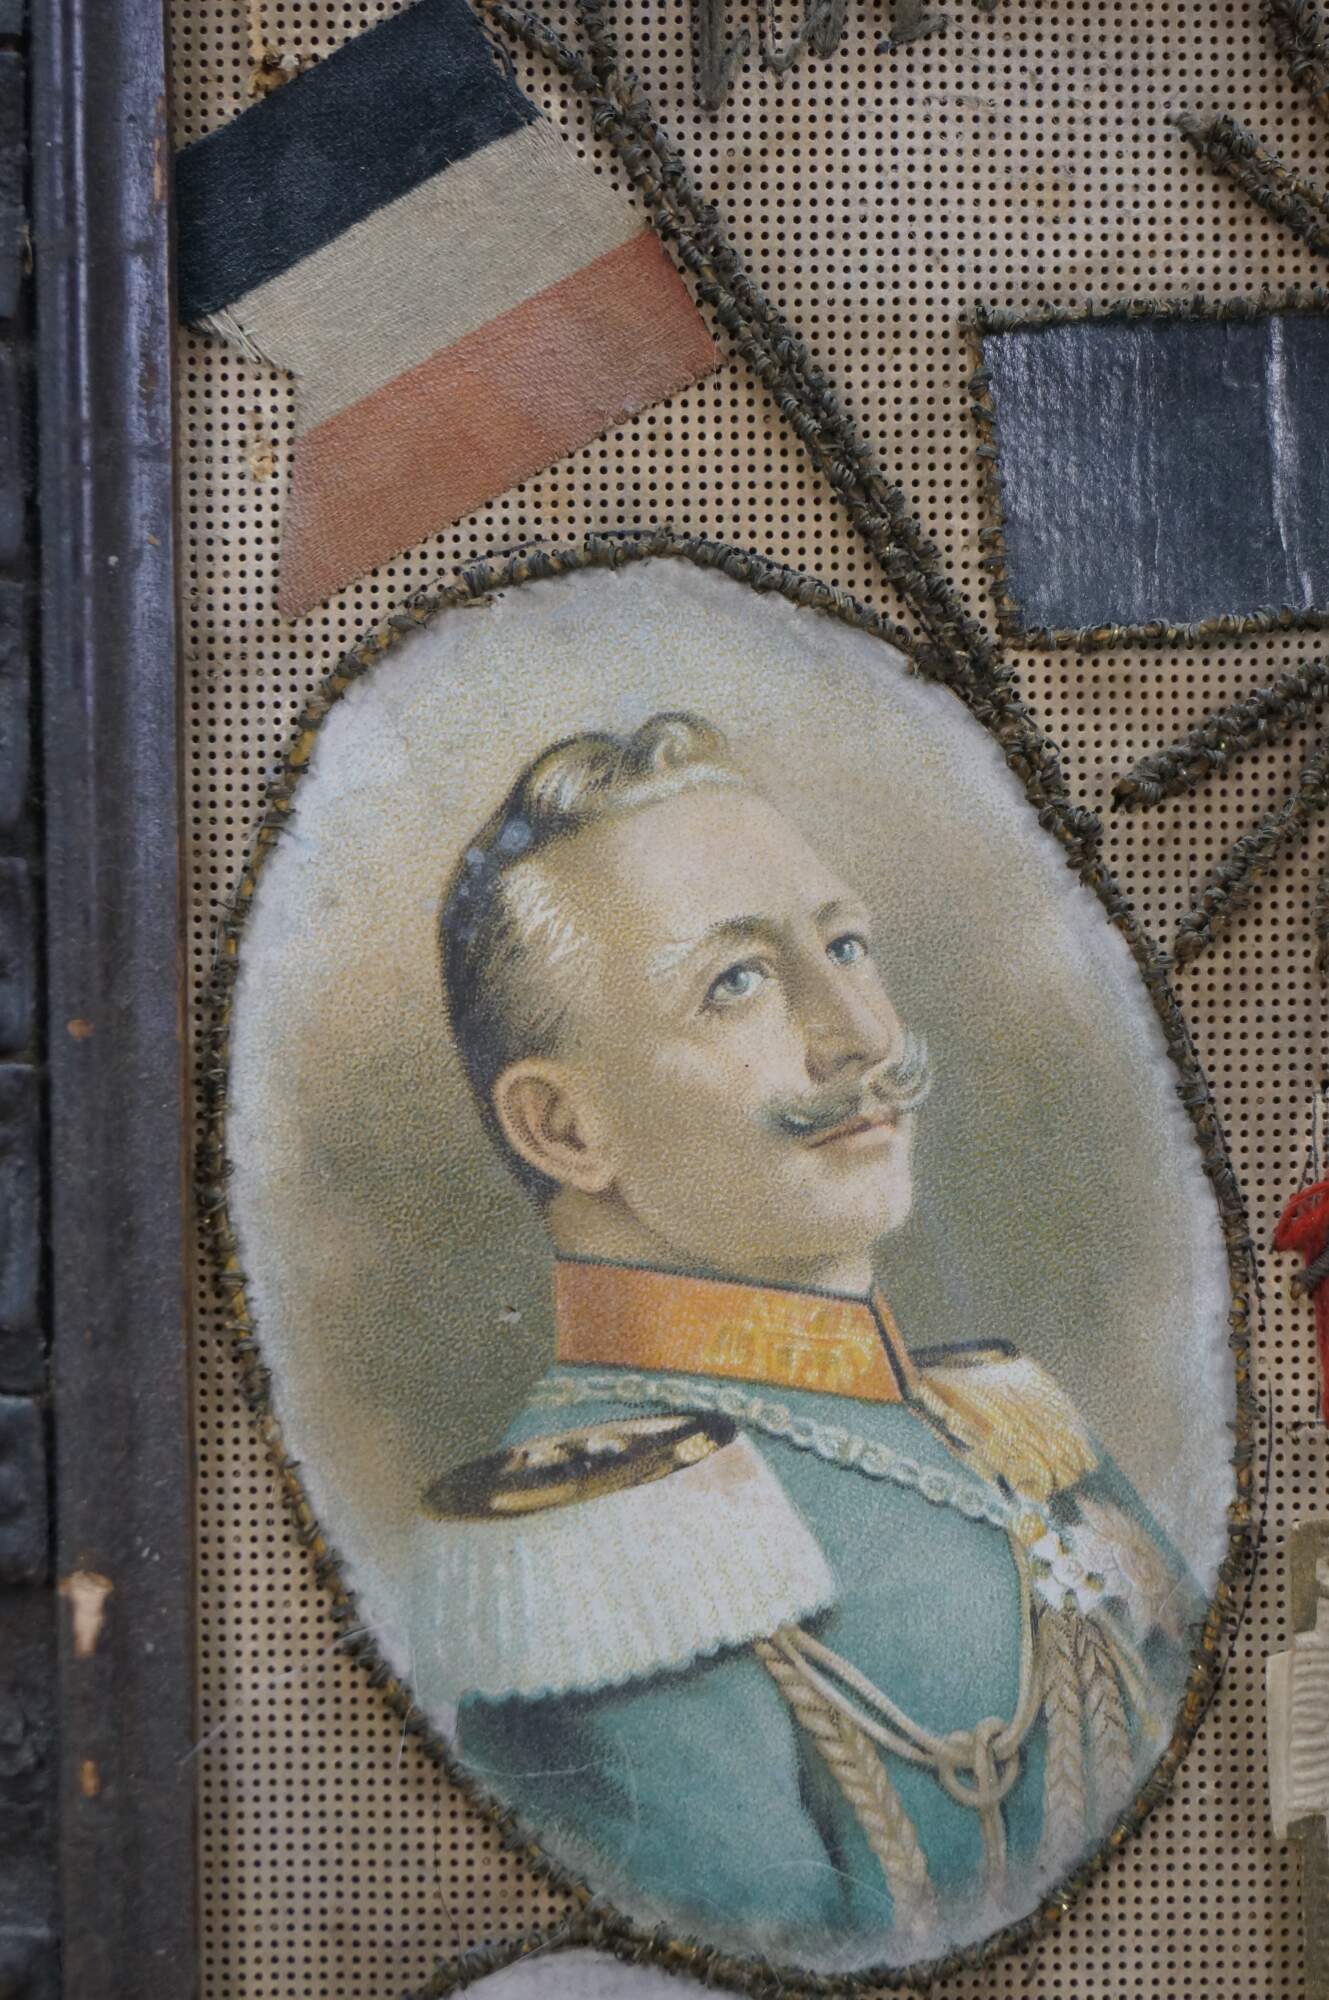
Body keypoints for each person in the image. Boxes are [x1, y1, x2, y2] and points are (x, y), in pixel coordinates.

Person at [415, 711, 1200, 1967]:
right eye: (737, 980)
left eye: (845, 945)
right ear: (565, 1128)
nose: (862, 1034)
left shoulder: (1003, 1416)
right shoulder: (597, 1542)